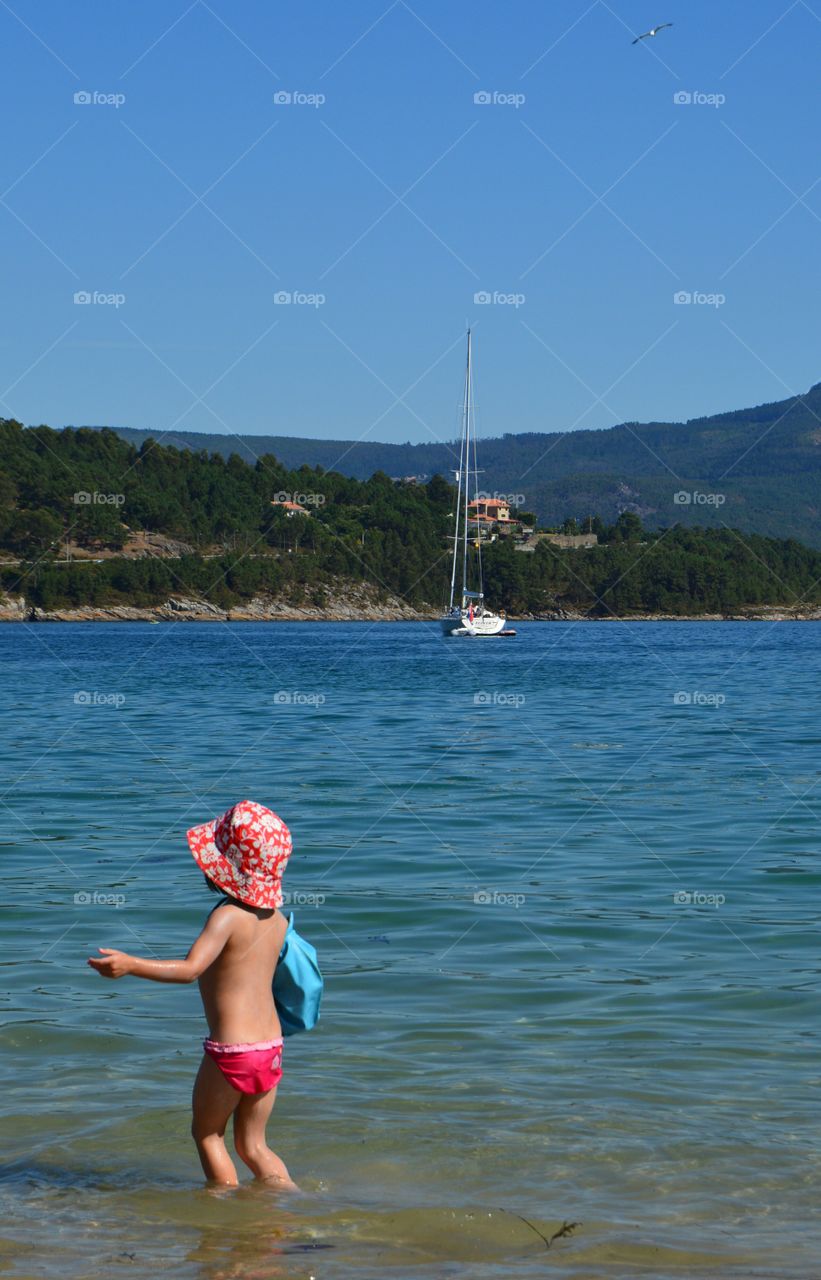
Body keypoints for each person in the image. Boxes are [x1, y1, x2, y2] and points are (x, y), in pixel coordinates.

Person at [87, 800, 297, 1190]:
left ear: (223, 868)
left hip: (233, 1051)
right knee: (254, 1145)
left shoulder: (227, 916)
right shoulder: (278, 919)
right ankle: (297, 1209)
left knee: (207, 1135)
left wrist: (131, 964)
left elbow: (190, 970)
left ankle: (221, 1220)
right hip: (270, 1047)